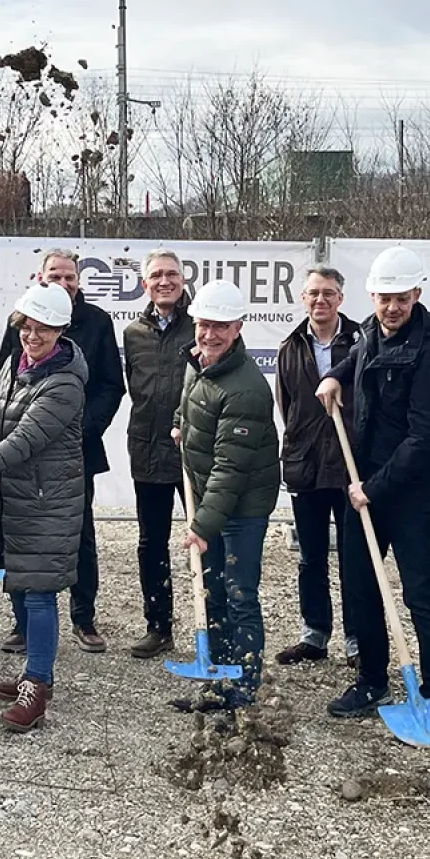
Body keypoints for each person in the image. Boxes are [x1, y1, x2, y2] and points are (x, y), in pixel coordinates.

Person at [317, 246, 430, 719]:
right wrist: (336, 376)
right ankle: (372, 679)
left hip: (408, 492)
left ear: (417, 294)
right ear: (372, 296)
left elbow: (425, 440)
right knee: (360, 587)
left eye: (401, 297)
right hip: (365, 487)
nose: (392, 307)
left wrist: (372, 488)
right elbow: (358, 358)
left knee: (419, 590)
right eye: (384, 298)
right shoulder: (369, 335)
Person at [0, 281, 88, 731]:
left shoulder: (64, 385)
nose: (32, 336)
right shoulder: (17, 364)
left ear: (61, 330)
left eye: (43, 330)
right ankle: (31, 671)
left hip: (48, 500)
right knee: (20, 586)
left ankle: (38, 686)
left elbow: (25, 440)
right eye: (27, 326)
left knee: (40, 593)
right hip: (18, 496)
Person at [0, 248, 125, 654]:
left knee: (77, 534)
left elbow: (110, 386)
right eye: (56, 276)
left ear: (79, 280)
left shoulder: (98, 323)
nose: (64, 283)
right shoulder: (23, 321)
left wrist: (75, 430)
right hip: (23, 456)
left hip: (75, 451)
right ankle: (23, 622)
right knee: (19, 537)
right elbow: (5, 377)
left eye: (70, 277)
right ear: (41, 276)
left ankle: (83, 618)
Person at [174, 279, 279, 709]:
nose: (210, 334)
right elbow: (189, 403)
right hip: (211, 498)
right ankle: (216, 675)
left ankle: (245, 685)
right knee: (211, 590)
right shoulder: (199, 362)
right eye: (204, 324)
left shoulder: (247, 388)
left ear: (238, 328)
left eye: (221, 326)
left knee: (239, 593)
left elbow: (230, 469)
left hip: (242, 504)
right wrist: (182, 423)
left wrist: (202, 525)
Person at [274, 265, 361, 667]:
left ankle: (358, 638)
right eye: (313, 293)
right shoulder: (290, 346)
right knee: (311, 557)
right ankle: (315, 633)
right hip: (306, 467)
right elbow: (287, 406)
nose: (320, 300)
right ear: (303, 298)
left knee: (353, 556)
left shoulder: (361, 342)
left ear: (340, 298)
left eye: (328, 293)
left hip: (349, 469)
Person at [123, 249, 194, 658]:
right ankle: (158, 625)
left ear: (182, 281)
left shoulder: (200, 325)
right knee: (152, 542)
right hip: (148, 450)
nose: (164, 281)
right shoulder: (134, 333)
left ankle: (213, 623)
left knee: (206, 539)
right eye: (156, 276)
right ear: (145, 284)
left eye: (172, 274)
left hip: (192, 452)